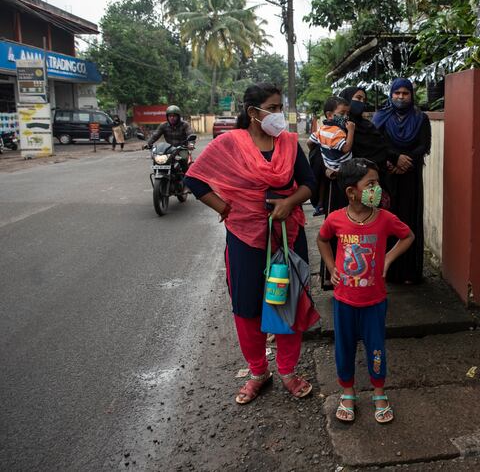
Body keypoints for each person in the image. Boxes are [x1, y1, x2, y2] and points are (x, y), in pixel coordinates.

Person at [184, 83, 318, 405]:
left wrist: (289, 203)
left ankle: (287, 370)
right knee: (246, 305)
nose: (278, 115)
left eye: (279, 107)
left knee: (287, 300)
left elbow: (310, 183)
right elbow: (194, 178)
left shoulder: (287, 143)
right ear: (252, 113)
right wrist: (225, 208)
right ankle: (259, 371)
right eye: (272, 108)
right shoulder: (230, 143)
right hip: (245, 237)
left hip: (287, 235)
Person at [317, 158, 414, 424]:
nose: (377, 189)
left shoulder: (384, 219)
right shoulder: (336, 219)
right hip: (344, 301)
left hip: (375, 301)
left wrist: (388, 259)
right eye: (371, 184)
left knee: (376, 348)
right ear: (351, 192)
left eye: (378, 184)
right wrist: (329, 266)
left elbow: (408, 236)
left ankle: (379, 393)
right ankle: (347, 392)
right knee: (344, 348)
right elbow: (322, 239)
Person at [372, 78, 431, 285]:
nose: (401, 97)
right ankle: (386, 271)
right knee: (386, 219)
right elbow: (375, 143)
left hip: (410, 176)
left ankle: (409, 272)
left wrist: (405, 162)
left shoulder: (420, 118)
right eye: (397, 93)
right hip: (386, 176)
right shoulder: (380, 117)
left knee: (407, 219)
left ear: (411, 95)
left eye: (405, 93)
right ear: (391, 94)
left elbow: (423, 145)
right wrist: (393, 159)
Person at [339, 86, 390, 177]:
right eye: (358, 98)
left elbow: (382, 148)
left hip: (372, 179)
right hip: (349, 180)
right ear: (346, 100)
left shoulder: (368, 126)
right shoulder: (338, 127)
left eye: (364, 100)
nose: (362, 102)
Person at [144, 105, 195, 172]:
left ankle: (185, 179)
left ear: (178, 117)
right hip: (169, 149)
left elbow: (190, 134)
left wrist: (191, 144)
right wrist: (148, 144)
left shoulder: (185, 125)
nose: (172, 118)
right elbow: (155, 136)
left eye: (174, 116)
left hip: (182, 149)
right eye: (170, 116)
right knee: (159, 159)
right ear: (167, 117)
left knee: (184, 162)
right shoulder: (163, 125)